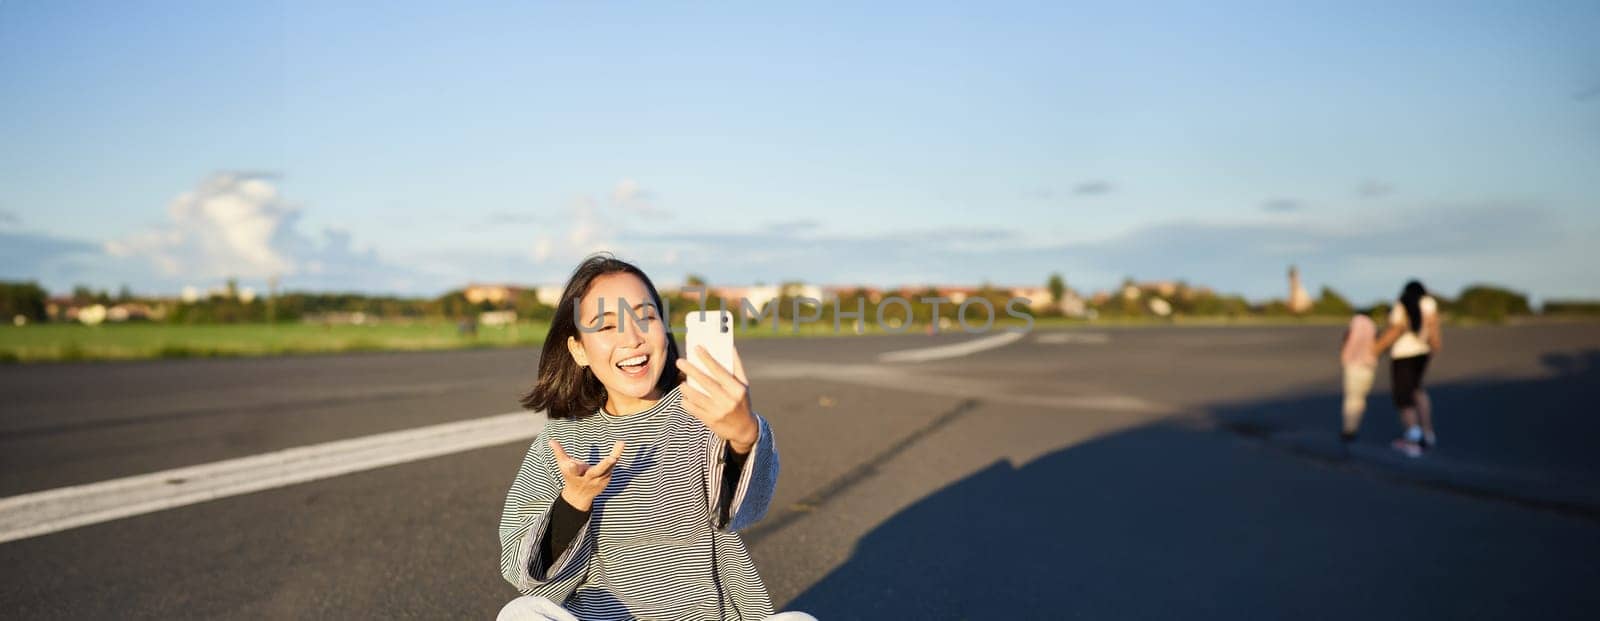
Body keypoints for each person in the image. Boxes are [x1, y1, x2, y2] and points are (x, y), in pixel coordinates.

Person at [496, 253, 814, 621]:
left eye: (645, 316)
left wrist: (744, 437)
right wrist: (574, 501)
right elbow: (524, 572)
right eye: (606, 325)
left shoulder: (705, 411)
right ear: (578, 349)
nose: (632, 338)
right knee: (519, 613)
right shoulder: (560, 441)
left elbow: (743, 510)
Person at [1372, 280, 1443, 457]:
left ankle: (1414, 437)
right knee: (1417, 390)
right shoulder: (1429, 303)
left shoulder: (1401, 305)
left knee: (1403, 396)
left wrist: (1376, 349)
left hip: (1403, 354)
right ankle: (1428, 433)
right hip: (1422, 352)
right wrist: (1434, 346)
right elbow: (1434, 328)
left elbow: (1396, 329)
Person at [1338, 311, 1378, 447]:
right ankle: (1354, 426)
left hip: (1354, 365)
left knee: (1351, 399)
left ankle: (1349, 429)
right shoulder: (1372, 326)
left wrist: (1345, 353)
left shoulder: (1356, 323)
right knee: (1360, 398)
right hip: (1368, 366)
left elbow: (1349, 340)